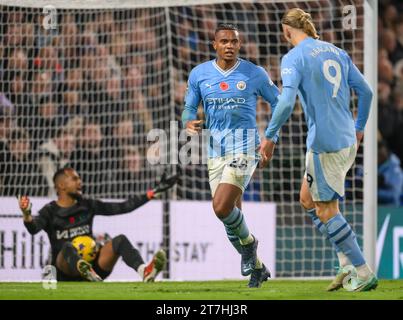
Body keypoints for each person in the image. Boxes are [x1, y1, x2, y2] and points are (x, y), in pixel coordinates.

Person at [261, 8, 377, 291]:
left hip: (325, 143)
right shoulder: (337, 51)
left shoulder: (293, 58)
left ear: (287, 31)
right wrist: (359, 127)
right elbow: (367, 92)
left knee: (327, 209)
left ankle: (362, 271)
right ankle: (345, 264)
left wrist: (270, 136)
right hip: (346, 139)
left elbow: (286, 103)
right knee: (307, 199)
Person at [182, 23, 280, 288]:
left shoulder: (254, 73)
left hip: (245, 147)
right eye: (224, 41)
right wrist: (188, 122)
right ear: (214, 45)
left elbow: (279, 102)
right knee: (229, 219)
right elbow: (189, 107)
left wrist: (271, 138)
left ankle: (251, 245)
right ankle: (257, 268)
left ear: (239, 44)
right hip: (215, 151)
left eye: (234, 41)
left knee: (221, 206)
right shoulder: (200, 74)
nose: (229, 46)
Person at [17, 167, 178, 282]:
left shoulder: (87, 205)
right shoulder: (50, 211)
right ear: (61, 185)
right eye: (75, 179)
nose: (80, 182)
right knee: (67, 246)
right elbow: (33, 228)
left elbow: (123, 207)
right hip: (65, 271)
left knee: (120, 240)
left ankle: (145, 271)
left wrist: (154, 192)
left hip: (95, 267)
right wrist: (26, 214)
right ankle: (83, 269)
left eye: (79, 178)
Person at [378, 139, 403, 206]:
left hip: (392, 210)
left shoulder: (396, 171)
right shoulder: (369, 166)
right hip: (372, 208)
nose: (378, 157)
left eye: (380, 154)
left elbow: (394, 195)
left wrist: (373, 193)